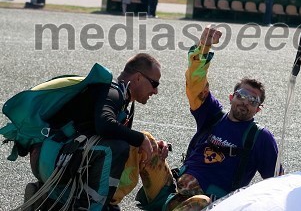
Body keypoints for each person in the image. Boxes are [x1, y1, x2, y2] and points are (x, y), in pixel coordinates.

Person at [24, 53, 165, 210]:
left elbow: (115, 134)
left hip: (55, 158)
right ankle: (89, 207)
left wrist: (150, 145)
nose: (155, 91)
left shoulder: (123, 101)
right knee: (117, 148)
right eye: (154, 83)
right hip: (50, 158)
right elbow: (104, 125)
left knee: (127, 144)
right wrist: (141, 140)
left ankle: (49, 199)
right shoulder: (112, 92)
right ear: (138, 78)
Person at [169, 25, 282, 209]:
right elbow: (195, 84)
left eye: (253, 100)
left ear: (258, 109)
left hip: (211, 205)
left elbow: (277, 183)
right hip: (175, 191)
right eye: (241, 95)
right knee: (143, 143)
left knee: (200, 203)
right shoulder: (212, 114)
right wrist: (204, 47)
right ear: (231, 97)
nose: (245, 102)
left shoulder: (261, 137)